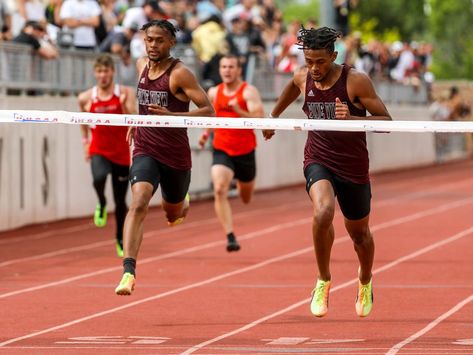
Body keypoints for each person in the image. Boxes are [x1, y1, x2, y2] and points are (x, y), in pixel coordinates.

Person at [263, 26, 392, 318]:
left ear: (333, 56)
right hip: (318, 158)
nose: (314, 68)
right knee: (322, 212)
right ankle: (323, 279)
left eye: (320, 62)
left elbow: (386, 120)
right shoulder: (302, 76)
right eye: (309, 61)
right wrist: (272, 118)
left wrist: (356, 118)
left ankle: (365, 279)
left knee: (359, 234)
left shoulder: (355, 81)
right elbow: (289, 92)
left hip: (353, 166)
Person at [115, 19, 215, 296]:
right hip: (145, 147)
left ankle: (181, 202)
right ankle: (128, 271)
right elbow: (142, 103)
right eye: (149, 40)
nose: (153, 45)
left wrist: (173, 117)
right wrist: (136, 120)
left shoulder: (180, 73)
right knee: (138, 202)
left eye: (159, 40)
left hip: (174, 154)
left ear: (171, 42)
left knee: (173, 213)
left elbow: (209, 110)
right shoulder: (140, 66)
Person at [198, 54, 264, 252]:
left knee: (246, 197)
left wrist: (240, 111)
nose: (227, 70)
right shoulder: (214, 92)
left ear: (238, 70)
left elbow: (259, 116)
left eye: (231, 66)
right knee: (219, 188)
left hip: (245, 151)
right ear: (220, 70)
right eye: (224, 67)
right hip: (222, 148)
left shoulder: (248, 92)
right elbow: (212, 116)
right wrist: (205, 134)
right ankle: (230, 236)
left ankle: (243, 185)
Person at [78, 54, 137, 257]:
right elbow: (82, 121)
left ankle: (120, 237)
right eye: (99, 71)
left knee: (121, 202)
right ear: (95, 73)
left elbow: (133, 118)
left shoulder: (125, 93)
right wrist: (85, 143)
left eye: (106, 71)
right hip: (99, 149)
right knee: (98, 178)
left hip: (120, 152)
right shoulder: (86, 97)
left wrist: (123, 105)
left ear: (113, 72)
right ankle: (101, 203)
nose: (102, 75)